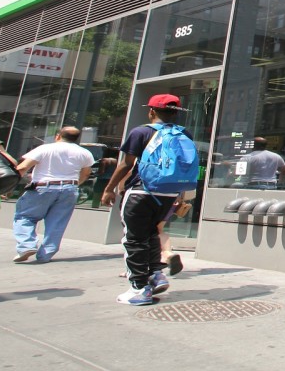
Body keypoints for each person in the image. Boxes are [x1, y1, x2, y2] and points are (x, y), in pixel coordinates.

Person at [101, 94, 191, 306]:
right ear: (175, 113)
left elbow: (126, 164)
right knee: (152, 234)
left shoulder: (140, 132)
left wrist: (109, 188)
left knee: (133, 240)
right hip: (168, 194)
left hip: (141, 192)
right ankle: (156, 275)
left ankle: (139, 289)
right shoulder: (184, 133)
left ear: (151, 111)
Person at [11, 126, 95, 263]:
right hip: (70, 188)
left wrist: (10, 184)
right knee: (57, 222)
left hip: (43, 186)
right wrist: (75, 184)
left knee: (25, 216)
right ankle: (46, 254)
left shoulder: (45, 148)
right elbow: (86, 173)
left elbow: (23, 167)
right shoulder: (84, 153)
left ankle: (26, 245)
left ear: (58, 136)